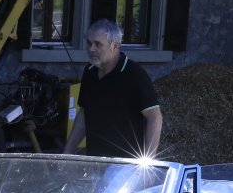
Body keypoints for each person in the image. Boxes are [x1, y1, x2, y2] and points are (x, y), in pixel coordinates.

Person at [65, 19, 164, 157]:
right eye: (89, 43)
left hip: (127, 163)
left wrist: (148, 161)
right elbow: (84, 114)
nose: (91, 49)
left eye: (98, 44)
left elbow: (155, 117)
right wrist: (67, 152)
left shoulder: (134, 74)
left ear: (115, 45)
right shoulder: (90, 72)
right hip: (95, 159)